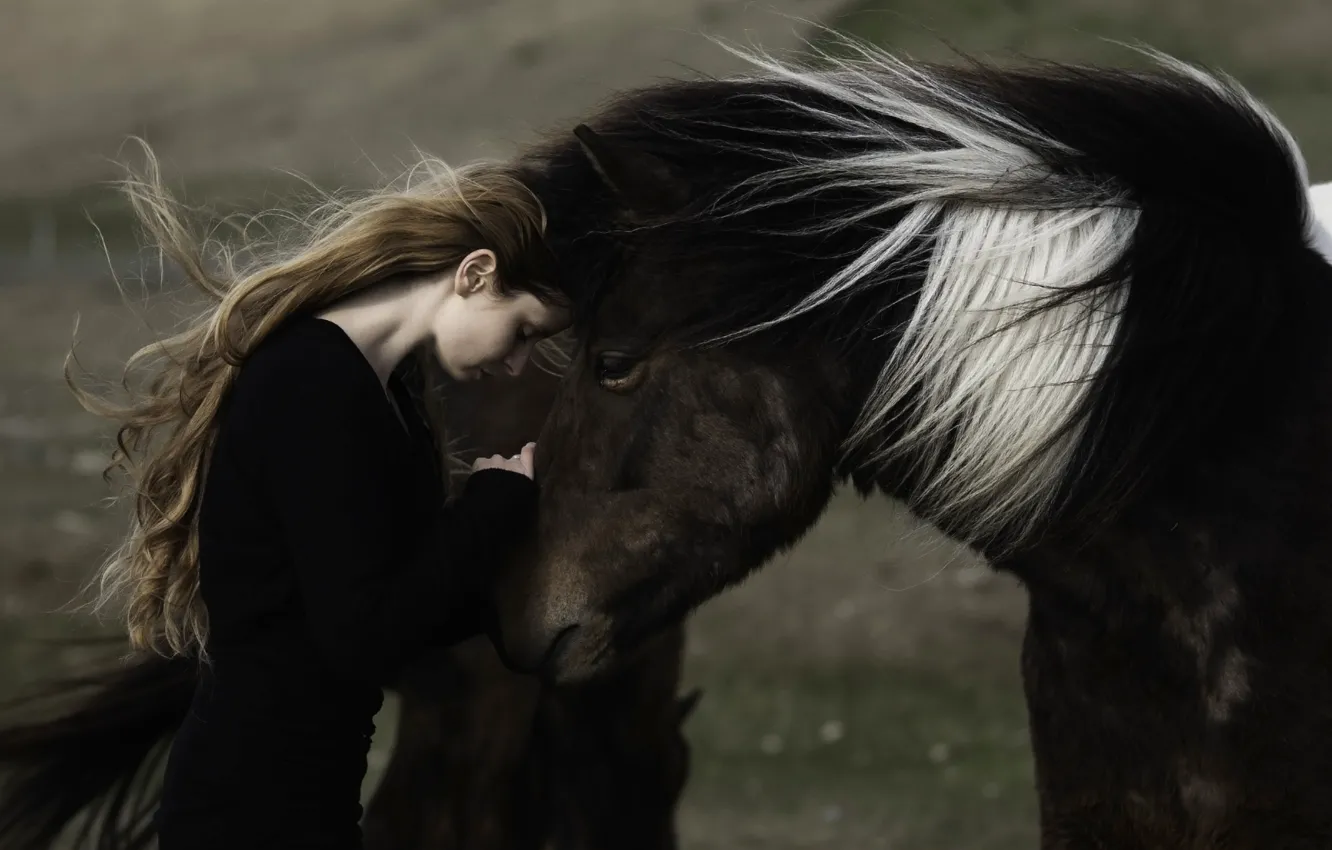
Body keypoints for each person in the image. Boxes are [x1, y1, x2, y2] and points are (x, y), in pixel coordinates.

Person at [65, 141, 571, 849]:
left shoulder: (390, 395)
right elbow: (364, 633)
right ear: (475, 273)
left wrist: (523, 540)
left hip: (307, 801)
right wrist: (491, 504)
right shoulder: (312, 382)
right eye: (522, 332)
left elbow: (400, 610)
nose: (517, 363)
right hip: (246, 813)